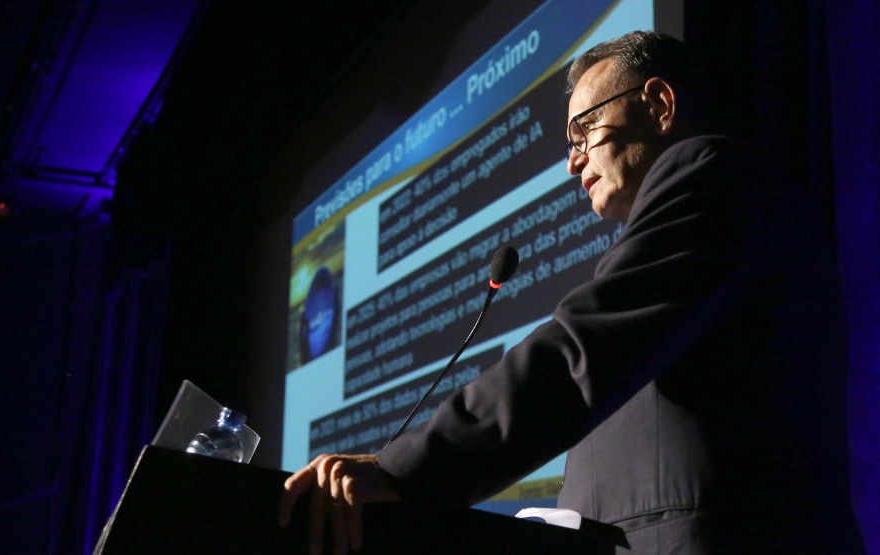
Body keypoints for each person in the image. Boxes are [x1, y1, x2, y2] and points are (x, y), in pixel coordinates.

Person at [279, 31, 864, 554]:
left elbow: (577, 355)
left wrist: (406, 470)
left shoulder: (715, 175)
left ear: (659, 104)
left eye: (584, 130)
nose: (571, 162)